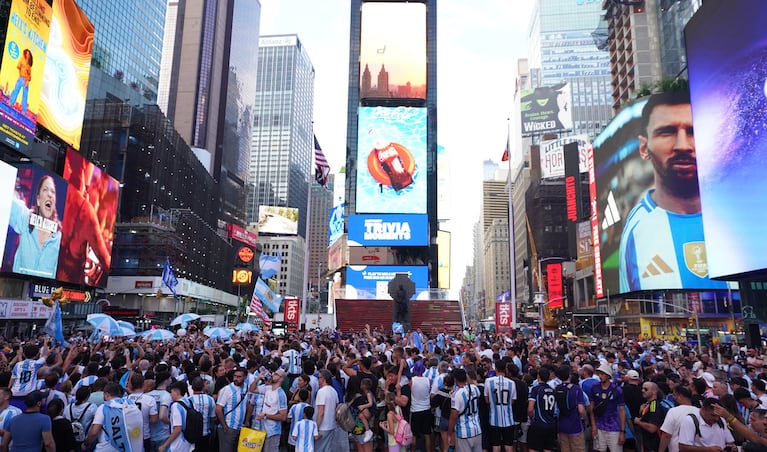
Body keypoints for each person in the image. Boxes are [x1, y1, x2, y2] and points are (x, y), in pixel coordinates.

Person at [619, 91, 727, 292]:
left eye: (693, 131)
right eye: (667, 132)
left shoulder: (742, 212)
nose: (683, 145)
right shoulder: (636, 227)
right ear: (644, 147)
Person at [7, 174, 62, 279]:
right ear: (38, 200)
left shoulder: (59, 237)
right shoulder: (25, 218)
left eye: (53, 192)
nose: (50, 194)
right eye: (45, 190)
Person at [590, 362, 626, 452]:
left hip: (614, 427)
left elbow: (622, 410)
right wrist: (594, 426)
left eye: (602, 374)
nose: (600, 376)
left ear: (608, 376)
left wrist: (622, 431)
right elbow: (591, 408)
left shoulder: (617, 390)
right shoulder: (594, 387)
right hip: (599, 426)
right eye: (599, 374)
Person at [485, 359, 516, 452]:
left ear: (496, 368)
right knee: (508, 445)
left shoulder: (488, 381)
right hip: (508, 419)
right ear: (505, 369)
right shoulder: (511, 383)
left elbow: (487, 400)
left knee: (496, 445)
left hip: (494, 419)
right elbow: (513, 400)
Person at [448, 368, 482, 452]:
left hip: (463, 432)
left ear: (455, 379)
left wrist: (449, 433)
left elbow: (453, 417)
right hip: (477, 429)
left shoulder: (457, 395)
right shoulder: (475, 388)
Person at [215, 367, 249, 452]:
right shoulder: (226, 390)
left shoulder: (246, 387)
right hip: (229, 427)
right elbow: (218, 408)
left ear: (245, 377)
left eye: (239, 377)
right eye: (235, 376)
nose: (236, 379)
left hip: (240, 427)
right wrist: (224, 425)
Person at [527, 367, 558, 452]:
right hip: (551, 423)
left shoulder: (536, 389)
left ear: (538, 376)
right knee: (547, 448)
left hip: (538, 423)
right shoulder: (552, 390)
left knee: (533, 448)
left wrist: (531, 417)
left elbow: (530, 409)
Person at [659, 386, 699, 452]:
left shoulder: (673, 411)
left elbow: (666, 435)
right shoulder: (698, 411)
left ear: (679, 396)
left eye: (674, 395)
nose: (673, 398)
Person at [126, 373, 158, 451]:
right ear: (143, 384)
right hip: (144, 435)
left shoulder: (125, 400)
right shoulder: (150, 399)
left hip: (128, 435)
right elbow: (154, 419)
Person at [159, 382, 194, 452]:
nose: (170, 395)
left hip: (178, 444)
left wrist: (164, 445)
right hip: (188, 443)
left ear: (176, 392)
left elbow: (178, 428)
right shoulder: (189, 402)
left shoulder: (176, 406)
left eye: (171, 392)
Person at [634, 382, 668, 452]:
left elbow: (652, 428)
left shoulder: (654, 405)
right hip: (647, 444)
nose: (642, 391)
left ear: (654, 391)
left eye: (646, 389)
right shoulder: (648, 404)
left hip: (653, 446)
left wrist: (638, 422)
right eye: (642, 388)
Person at [187, 377, 215, 449]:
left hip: (192, 433)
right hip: (206, 432)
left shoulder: (188, 400)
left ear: (192, 387)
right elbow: (213, 417)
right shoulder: (210, 399)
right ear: (203, 387)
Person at [313, 370, 338, 452]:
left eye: (319, 377)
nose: (318, 380)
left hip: (322, 426)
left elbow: (321, 412)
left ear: (323, 379)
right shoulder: (334, 391)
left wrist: (316, 428)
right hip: (331, 424)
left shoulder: (321, 392)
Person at [8, 48, 32, 113]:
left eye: (28, 54)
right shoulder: (22, 60)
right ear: (25, 54)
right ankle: (11, 102)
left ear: (29, 56)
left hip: (25, 81)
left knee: (25, 96)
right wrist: (20, 73)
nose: (27, 55)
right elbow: (18, 66)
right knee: (15, 90)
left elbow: (29, 75)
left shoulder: (29, 65)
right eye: (26, 53)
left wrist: (27, 82)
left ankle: (23, 111)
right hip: (20, 78)